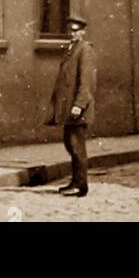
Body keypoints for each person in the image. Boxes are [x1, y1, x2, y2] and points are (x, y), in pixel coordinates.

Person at [48, 14, 97, 197]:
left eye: (75, 30)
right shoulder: (71, 49)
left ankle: (81, 185)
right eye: (70, 30)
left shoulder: (85, 50)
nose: (72, 33)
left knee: (77, 147)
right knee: (70, 144)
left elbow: (86, 82)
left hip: (78, 108)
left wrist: (79, 105)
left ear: (83, 32)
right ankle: (75, 181)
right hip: (70, 108)